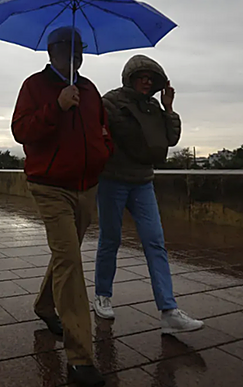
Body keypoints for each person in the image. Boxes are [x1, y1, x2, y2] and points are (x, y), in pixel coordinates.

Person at [12, 26, 113, 387]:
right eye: (68, 49)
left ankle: (44, 305)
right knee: (70, 260)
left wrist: (104, 151)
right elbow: (21, 131)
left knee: (65, 254)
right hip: (50, 186)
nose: (75, 56)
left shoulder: (90, 90)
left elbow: (103, 129)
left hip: (87, 187)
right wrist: (55, 107)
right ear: (51, 51)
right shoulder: (34, 86)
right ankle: (80, 358)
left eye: (79, 49)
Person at [92, 54, 204, 334]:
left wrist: (168, 108)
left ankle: (169, 310)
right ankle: (102, 295)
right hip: (113, 180)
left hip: (143, 181)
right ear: (129, 78)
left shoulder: (154, 107)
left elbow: (171, 139)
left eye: (151, 79)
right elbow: (99, 135)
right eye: (141, 77)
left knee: (155, 242)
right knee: (110, 239)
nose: (146, 82)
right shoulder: (110, 102)